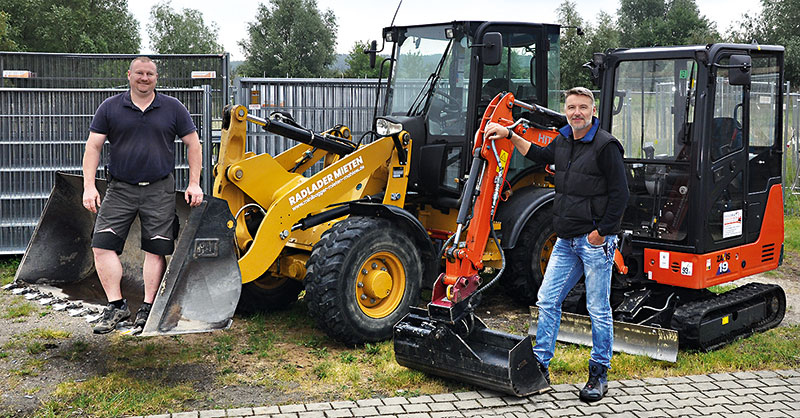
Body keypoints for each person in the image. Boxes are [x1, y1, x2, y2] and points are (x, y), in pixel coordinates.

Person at [485, 87, 628, 402]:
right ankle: (540, 365)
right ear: (565, 110)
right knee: (547, 301)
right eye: (571, 107)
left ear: (593, 110)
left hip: (593, 242)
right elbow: (535, 152)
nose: (577, 112)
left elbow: (621, 195)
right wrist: (509, 132)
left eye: (583, 107)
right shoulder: (563, 142)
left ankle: (598, 374)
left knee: (598, 308)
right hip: (565, 241)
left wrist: (601, 233)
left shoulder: (606, 147)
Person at [81, 56, 204, 334]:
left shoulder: (173, 108)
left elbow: (193, 145)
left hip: (159, 189)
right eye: (139, 73)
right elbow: (93, 147)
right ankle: (116, 307)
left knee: (156, 249)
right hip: (120, 188)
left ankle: (148, 308)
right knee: (101, 246)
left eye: (150, 73)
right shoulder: (110, 108)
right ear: (129, 75)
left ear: (156, 78)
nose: (144, 78)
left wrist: (194, 183)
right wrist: (89, 186)